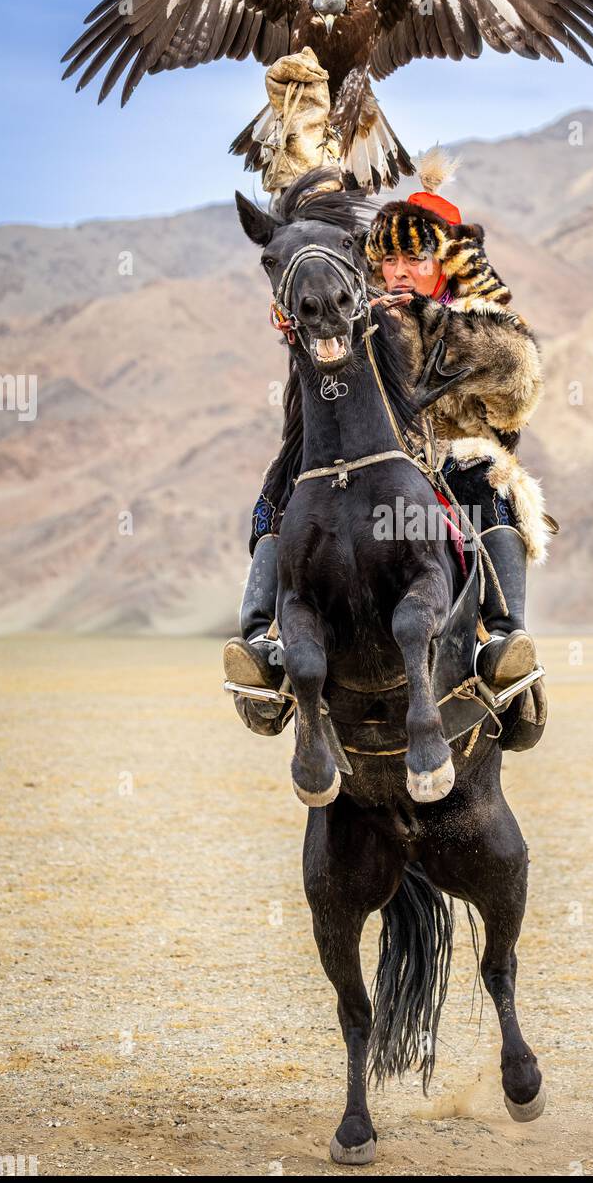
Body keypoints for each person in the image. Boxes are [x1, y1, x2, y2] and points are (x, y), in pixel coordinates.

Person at [224, 149, 552, 747]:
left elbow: (518, 376)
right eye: (391, 258)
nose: (400, 270)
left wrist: (430, 319)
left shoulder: (480, 316)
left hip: (455, 455)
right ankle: (263, 647)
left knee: (489, 484)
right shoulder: (370, 312)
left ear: (444, 262)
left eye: (416, 257)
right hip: (375, 460)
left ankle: (503, 647)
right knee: (282, 484)